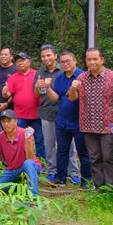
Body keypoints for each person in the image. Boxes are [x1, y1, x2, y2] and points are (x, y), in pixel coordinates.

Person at [69, 48, 113, 191]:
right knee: (94, 159)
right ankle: (100, 189)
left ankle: (112, 190)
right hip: (88, 126)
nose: (92, 62)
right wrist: (73, 88)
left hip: (108, 126)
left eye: (95, 59)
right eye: (89, 59)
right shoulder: (81, 78)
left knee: (109, 158)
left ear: (102, 59)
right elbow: (72, 98)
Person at [46, 51, 92, 189]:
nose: (65, 64)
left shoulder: (83, 76)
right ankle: (61, 178)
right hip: (62, 120)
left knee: (83, 152)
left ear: (75, 61)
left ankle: (86, 180)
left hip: (79, 121)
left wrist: (73, 87)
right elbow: (55, 99)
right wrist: (47, 87)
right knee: (62, 150)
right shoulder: (60, 78)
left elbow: (74, 98)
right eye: (63, 62)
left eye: (68, 61)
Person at [34, 44, 79, 183]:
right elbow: (36, 94)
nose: (46, 58)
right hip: (46, 112)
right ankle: (52, 171)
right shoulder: (40, 72)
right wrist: (37, 86)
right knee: (49, 145)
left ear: (55, 56)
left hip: (65, 114)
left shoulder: (64, 70)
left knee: (70, 146)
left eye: (49, 55)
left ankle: (73, 172)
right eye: (43, 56)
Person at [2, 52, 45, 161]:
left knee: (40, 140)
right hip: (20, 114)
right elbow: (8, 94)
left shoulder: (37, 74)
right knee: (19, 139)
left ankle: (41, 163)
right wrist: (5, 92)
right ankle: (21, 160)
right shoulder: (13, 77)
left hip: (37, 114)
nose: (20, 63)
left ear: (29, 62)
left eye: (22, 60)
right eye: (18, 61)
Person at [0, 110, 41, 198]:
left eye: (9, 121)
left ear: (16, 121)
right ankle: (18, 186)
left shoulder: (25, 133)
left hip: (29, 167)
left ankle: (33, 197)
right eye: (3, 121)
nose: (6, 124)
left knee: (27, 163)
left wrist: (28, 140)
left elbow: (29, 158)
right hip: (12, 170)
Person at [0, 47, 17, 118]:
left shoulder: (16, 70)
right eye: (1, 54)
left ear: (11, 57)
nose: (3, 56)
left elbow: (18, 90)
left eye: (5, 54)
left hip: (12, 106)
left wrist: (7, 103)